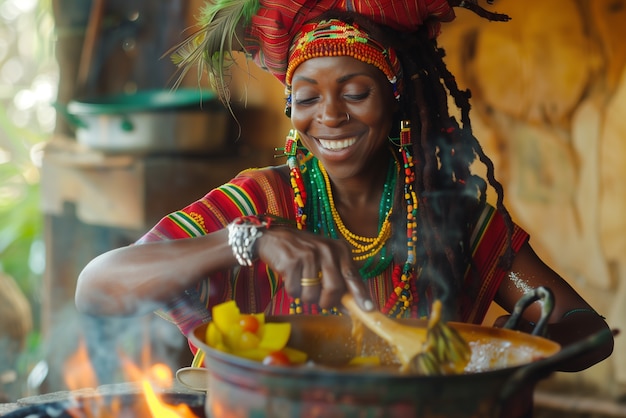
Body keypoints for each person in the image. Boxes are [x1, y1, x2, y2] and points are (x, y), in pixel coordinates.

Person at [75, 0, 613, 376]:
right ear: (291, 111)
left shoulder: (452, 216)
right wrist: (247, 241)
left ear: (395, 98)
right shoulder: (260, 200)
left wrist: (507, 362)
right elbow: (97, 287)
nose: (330, 115)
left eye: (355, 92)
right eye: (307, 98)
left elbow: (585, 327)